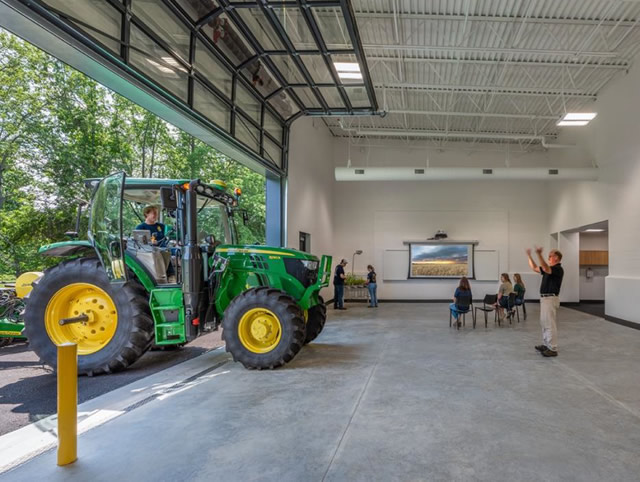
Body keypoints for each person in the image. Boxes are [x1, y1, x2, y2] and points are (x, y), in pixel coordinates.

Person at [527, 247, 564, 357]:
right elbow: (534, 268)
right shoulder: (549, 269)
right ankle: (546, 344)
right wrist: (529, 256)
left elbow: (546, 267)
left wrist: (539, 254)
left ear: (557, 258)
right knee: (544, 322)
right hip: (544, 298)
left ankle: (552, 348)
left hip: (550, 298)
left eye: (550, 256)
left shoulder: (557, 269)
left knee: (549, 324)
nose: (548, 257)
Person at [136, 205, 175, 282]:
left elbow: (172, 233)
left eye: (156, 214)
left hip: (163, 248)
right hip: (150, 251)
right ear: (146, 214)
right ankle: (170, 275)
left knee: (177, 251)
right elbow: (138, 242)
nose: (155, 215)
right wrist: (150, 242)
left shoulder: (161, 226)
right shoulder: (141, 227)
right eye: (153, 213)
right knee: (163, 252)